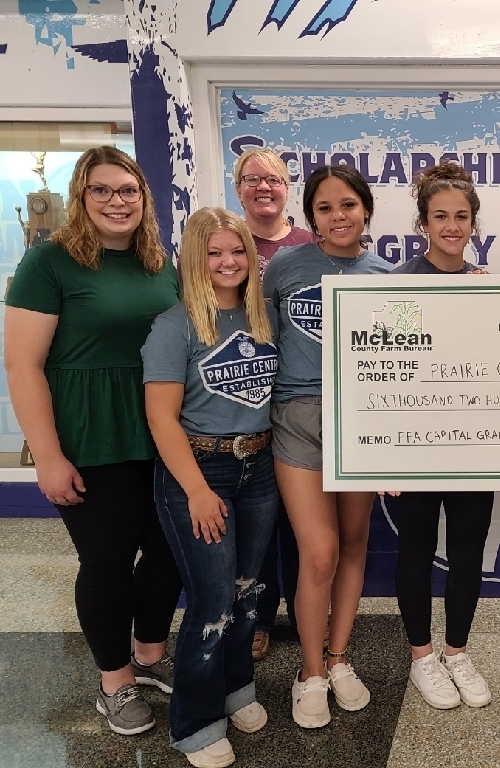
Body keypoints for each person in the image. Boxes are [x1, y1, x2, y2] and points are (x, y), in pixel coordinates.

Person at [4, 146, 182, 735]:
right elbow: (23, 365)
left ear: (144, 198)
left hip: (160, 433)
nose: (116, 201)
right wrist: (48, 456)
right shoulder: (49, 263)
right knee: (107, 563)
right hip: (91, 436)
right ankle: (115, 681)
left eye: (128, 190)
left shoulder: (159, 262)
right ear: (81, 196)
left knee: (168, 553)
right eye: (101, 190)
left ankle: (151, 656)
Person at [143, 208, 279, 768]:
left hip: (259, 467)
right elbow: (161, 417)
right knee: (213, 601)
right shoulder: (174, 326)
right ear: (194, 260)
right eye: (214, 252)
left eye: (238, 250)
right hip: (200, 472)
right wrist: (197, 490)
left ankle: (235, 687)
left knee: (248, 591)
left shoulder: (263, 317)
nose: (228, 262)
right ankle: (194, 722)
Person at [262, 164, 392, 728]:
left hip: (361, 418)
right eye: (325, 208)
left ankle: (339, 658)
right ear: (311, 217)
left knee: (354, 543)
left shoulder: (385, 274)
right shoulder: (285, 267)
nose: (338, 216)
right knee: (318, 553)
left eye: (348, 205)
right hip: (298, 417)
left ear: (365, 209)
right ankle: (309, 671)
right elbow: (259, 337)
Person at [380, 162, 494, 710]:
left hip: (473, 446)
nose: (452, 226)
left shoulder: (486, 285)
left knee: (469, 552)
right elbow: (385, 372)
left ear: (474, 224)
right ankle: (422, 656)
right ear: (423, 223)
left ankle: (457, 652)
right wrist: (386, 456)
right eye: (441, 216)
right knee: (417, 550)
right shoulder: (399, 285)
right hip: (416, 448)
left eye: (462, 217)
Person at [232, 148, 316, 662]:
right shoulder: (226, 242)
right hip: (242, 402)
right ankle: (259, 618)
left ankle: (310, 615)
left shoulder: (310, 245)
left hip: (298, 405)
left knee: (303, 525)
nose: (263, 187)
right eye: (252, 179)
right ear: (237, 187)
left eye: (274, 179)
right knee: (256, 523)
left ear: (288, 188)